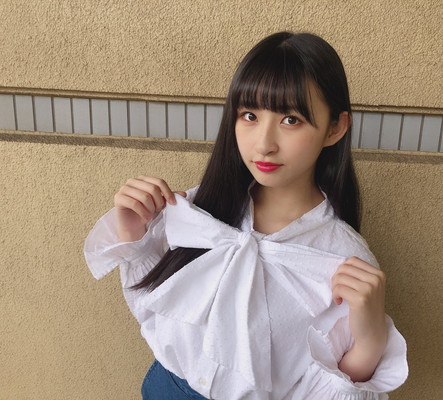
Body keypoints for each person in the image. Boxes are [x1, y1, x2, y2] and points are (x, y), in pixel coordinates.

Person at [84, 31, 408, 399]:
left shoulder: (345, 259)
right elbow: (155, 312)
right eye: (250, 115)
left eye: (291, 120)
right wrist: (135, 234)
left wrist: (370, 342)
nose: (264, 144)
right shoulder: (199, 208)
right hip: (164, 386)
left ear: (335, 128)